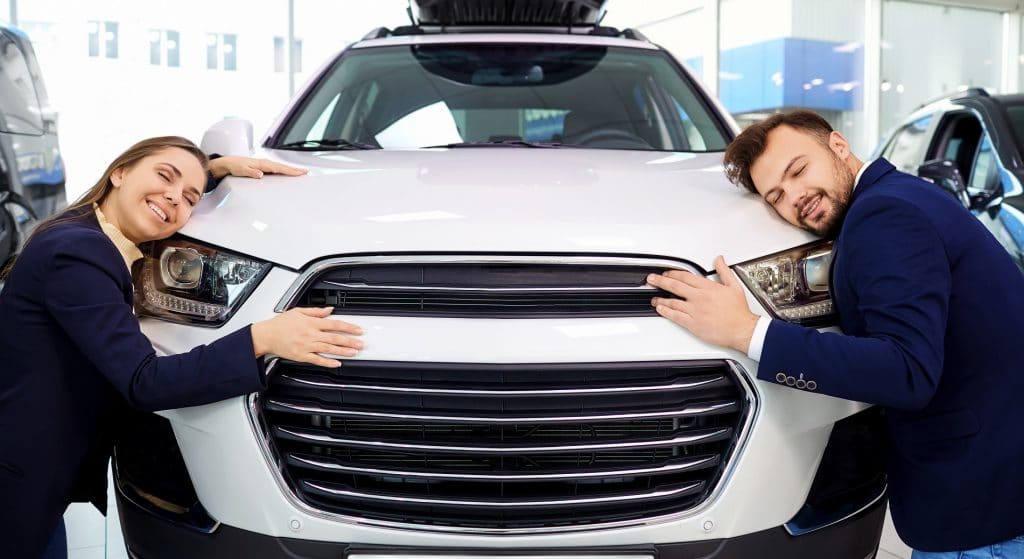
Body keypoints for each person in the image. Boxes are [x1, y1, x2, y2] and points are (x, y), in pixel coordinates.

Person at [646, 110, 1024, 558]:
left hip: (981, 511)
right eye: (777, 196)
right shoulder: (904, 196)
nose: (796, 198)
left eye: (799, 170)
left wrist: (746, 332)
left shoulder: (883, 216)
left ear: (839, 146)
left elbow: (907, 371)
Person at [0, 137, 365, 558]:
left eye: (189, 196)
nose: (173, 198)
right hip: (15, 475)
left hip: (30, 470)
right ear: (119, 172)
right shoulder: (78, 254)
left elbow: (168, 185)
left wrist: (215, 171)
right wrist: (262, 338)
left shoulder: (84, 230)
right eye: (164, 177)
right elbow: (144, 381)